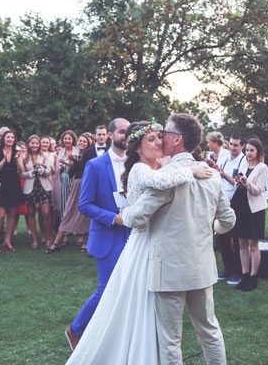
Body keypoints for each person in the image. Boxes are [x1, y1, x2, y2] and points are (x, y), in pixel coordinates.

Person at [65, 121, 215, 364]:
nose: (158, 142)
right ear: (137, 147)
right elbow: (162, 182)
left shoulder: (160, 165)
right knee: (127, 300)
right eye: (152, 139)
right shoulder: (139, 170)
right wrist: (192, 171)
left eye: (159, 137)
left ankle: (149, 352)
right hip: (138, 240)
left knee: (144, 305)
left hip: (152, 244)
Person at [120, 113, 236, 364]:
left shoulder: (166, 177)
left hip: (168, 271)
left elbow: (136, 218)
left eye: (166, 134)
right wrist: (211, 228)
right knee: (210, 331)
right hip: (201, 266)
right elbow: (228, 220)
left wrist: (124, 211)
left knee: (170, 339)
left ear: (177, 140)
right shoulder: (212, 175)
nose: (161, 138)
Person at [64, 118, 130, 349]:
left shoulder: (137, 164)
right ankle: (75, 330)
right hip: (107, 235)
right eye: (122, 132)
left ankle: (115, 334)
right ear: (110, 135)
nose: (126, 135)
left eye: (128, 132)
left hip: (134, 235)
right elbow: (85, 205)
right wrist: (114, 218)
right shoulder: (95, 164)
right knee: (106, 290)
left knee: (128, 289)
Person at [231, 137, 268, 291]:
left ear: (258, 151)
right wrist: (238, 182)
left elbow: (258, 190)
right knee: (241, 243)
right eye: (247, 150)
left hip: (254, 209)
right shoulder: (243, 163)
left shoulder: (262, 167)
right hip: (241, 207)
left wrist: (247, 183)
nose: (249, 153)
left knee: (253, 244)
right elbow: (236, 182)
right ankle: (244, 275)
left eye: (252, 150)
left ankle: (253, 277)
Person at [47, 133, 93, 253]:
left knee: (85, 213)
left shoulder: (89, 154)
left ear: (88, 144)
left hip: (86, 185)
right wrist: (68, 166)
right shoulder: (75, 156)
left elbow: (84, 170)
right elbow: (73, 173)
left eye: (84, 141)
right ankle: (57, 241)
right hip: (76, 184)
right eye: (80, 141)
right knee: (68, 211)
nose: (82, 143)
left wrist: (71, 163)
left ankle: (85, 241)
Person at [212, 133, 246, 285]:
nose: (232, 147)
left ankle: (237, 271)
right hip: (223, 201)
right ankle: (228, 267)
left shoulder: (244, 161)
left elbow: (237, 183)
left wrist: (223, 174)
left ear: (242, 146)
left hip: (237, 201)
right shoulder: (225, 158)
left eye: (236, 145)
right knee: (222, 236)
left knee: (237, 238)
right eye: (231, 144)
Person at [0, 130, 25, 253]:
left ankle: (7, 240)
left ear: (14, 140)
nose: (10, 139)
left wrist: (18, 160)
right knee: (0, 215)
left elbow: (21, 171)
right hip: (1, 184)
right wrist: (4, 160)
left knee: (12, 214)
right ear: (3, 139)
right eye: (7, 137)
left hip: (13, 184)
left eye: (12, 137)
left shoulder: (17, 152)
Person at [19, 135, 53, 249]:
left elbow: (48, 172)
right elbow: (21, 174)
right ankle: (34, 239)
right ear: (29, 144)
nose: (34, 145)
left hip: (43, 186)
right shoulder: (24, 157)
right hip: (30, 187)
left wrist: (41, 169)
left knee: (46, 212)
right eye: (32, 143)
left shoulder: (43, 156)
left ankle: (48, 237)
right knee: (31, 213)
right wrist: (32, 172)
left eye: (36, 143)